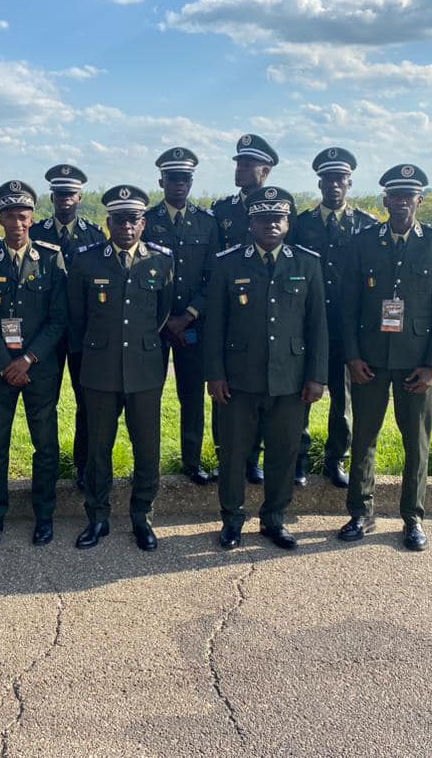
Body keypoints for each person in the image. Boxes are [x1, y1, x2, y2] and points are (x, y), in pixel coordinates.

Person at [338, 164, 432, 551]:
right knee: (364, 440)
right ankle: (360, 512)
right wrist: (352, 357)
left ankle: (413, 518)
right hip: (370, 360)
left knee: (416, 444)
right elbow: (348, 307)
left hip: (416, 364)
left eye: (409, 197)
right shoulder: (364, 242)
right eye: (395, 196)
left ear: (419, 201)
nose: (402, 203)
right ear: (384, 200)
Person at [205, 187, 327, 550]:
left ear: (287, 224)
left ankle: (274, 518)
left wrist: (316, 377)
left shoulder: (307, 263)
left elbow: (317, 325)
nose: (270, 225)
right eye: (262, 219)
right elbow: (215, 325)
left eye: (277, 219)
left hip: (290, 380)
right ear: (251, 223)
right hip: (239, 379)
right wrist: (215, 375)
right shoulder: (228, 262)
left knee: (283, 451)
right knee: (232, 452)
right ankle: (232, 520)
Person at [67, 185, 173, 551]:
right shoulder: (85, 261)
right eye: (120, 219)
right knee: (98, 449)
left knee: (147, 448)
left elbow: (162, 315)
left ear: (143, 223)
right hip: (99, 370)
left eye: (134, 219)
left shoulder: (160, 261)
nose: (127, 226)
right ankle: (97, 518)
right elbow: (77, 319)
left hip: (144, 370)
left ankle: (142, 517)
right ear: (108, 222)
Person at [0, 180, 68, 546]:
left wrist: (27, 359)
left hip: (39, 368)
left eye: (23, 215)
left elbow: (59, 318)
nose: (17, 223)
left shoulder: (50, 256)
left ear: (32, 218)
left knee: (45, 445)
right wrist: (5, 363)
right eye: (10, 215)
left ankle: (45, 514)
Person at [288, 148, 378, 488]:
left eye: (340, 178)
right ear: (320, 182)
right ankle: (299, 459)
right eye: (327, 178)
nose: (333, 185)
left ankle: (334, 459)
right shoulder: (303, 225)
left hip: (346, 327)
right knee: (303, 395)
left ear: (350, 182)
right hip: (307, 323)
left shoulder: (366, 225)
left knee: (342, 401)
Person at [141, 147, 219, 485]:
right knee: (149, 396)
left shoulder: (207, 222)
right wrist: (162, 320)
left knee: (191, 396)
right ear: (162, 180)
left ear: (191, 181)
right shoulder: (146, 220)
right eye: (172, 178)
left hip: (192, 324)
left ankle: (191, 461)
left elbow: (214, 276)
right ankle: (149, 463)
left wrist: (188, 315)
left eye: (185, 178)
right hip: (154, 326)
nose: (179, 185)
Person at [30, 164, 105, 490]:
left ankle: (83, 465)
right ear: (52, 196)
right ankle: (47, 466)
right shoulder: (36, 234)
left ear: (80, 196)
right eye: (59, 194)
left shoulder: (94, 235)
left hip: (81, 334)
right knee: (45, 402)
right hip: (45, 335)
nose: (65, 200)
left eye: (70, 194)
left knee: (86, 402)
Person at [211, 134, 280, 485]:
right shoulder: (222, 209)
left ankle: (254, 458)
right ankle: (226, 456)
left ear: (264, 171)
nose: (239, 169)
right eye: (238, 163)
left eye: (247, 164)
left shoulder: (279, 207)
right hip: (229, 307)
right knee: (225, 390)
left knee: (263, 390)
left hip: (265, 311)